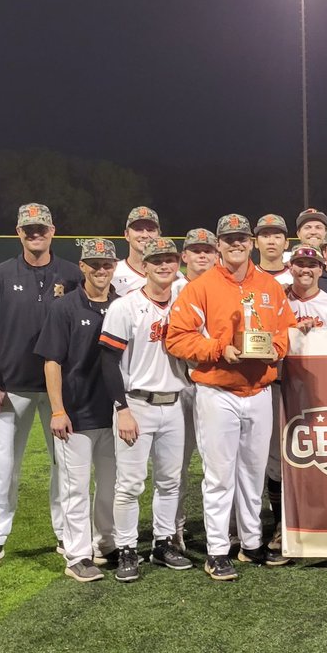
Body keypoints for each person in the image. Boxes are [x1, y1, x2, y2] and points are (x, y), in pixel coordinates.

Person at [165, 214, 295, 581]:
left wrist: (277, 349)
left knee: (253, 472)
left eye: (241, 238)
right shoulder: (200, 287)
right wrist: (219, 349)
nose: (235, 244)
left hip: (260, 389)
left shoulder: (269, 286)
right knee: (220, 475)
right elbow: (177, 337)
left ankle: (250, 543)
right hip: (216, 390)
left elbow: (287, 331)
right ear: (219, 244)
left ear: (251, 242)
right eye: (228, 239)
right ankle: (218, 550)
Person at [0, 203, 81, 571]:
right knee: (3, 465)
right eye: (28, 229)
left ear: (53, 231)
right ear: (18, 232)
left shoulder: (71, 273)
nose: (35, 234)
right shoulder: (0, 275)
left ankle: (68, 534)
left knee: (65, 465)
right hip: (9, 387)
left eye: (41, 228)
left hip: (60, 391)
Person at [98, 237, 194, 580]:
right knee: (130, 484)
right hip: (136, 404)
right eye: (157, 261)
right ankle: (126, 548)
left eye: (169, 260)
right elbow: (108, 362)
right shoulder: (124, 306)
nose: (164, 266)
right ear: (146, 266)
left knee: (170, 481)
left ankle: (162, 542)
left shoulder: (184, 303)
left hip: (175, 403)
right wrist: (121, 408)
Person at [35, 238, 120, 583]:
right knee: (75, 487)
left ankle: (104, 542)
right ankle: (77, 554)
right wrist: (58, 410)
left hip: (114, 413)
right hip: (77, 412)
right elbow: (52, 361)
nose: (101, 270)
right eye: (94, 264)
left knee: (110, 485)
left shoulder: (123, 304)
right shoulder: (65, 307)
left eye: (107, 264)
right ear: (82, 266)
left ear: (114, 267)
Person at [172, 228, 218, 551]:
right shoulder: (167, 287)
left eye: (208, 250)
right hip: (178, 387)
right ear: (183, 256)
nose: (202, 255)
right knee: (176, 464)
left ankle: (226, 526)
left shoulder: (225, 288)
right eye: (195, 250)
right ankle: (174, 527)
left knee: (219, 463)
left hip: (215, 387)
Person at [112, 206, 161, 297]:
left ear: (159, 235)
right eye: (138, 229)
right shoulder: (112, 273)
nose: (145, 235)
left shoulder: (172, 275)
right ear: (126, 234)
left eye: (150, 230)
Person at [254, 214, 293, 286]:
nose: (271, 241)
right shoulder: (247, 276)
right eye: (265, 236)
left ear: (286, 243)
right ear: (256, 242)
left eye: (277, 236)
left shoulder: (296, 277)